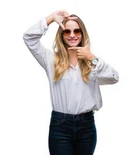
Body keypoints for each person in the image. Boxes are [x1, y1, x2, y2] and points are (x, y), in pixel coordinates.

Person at [23, 10, 119, 155]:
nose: (72, 35)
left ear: (82, 33)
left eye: (76, 31)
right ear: (61, 35)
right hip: (60, 127)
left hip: (86, 126)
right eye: (67, 31)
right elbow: (29, 38)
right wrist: (51, 18)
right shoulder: (51, 60)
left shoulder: (92, 63)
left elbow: (114, 78)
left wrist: (91, 57)